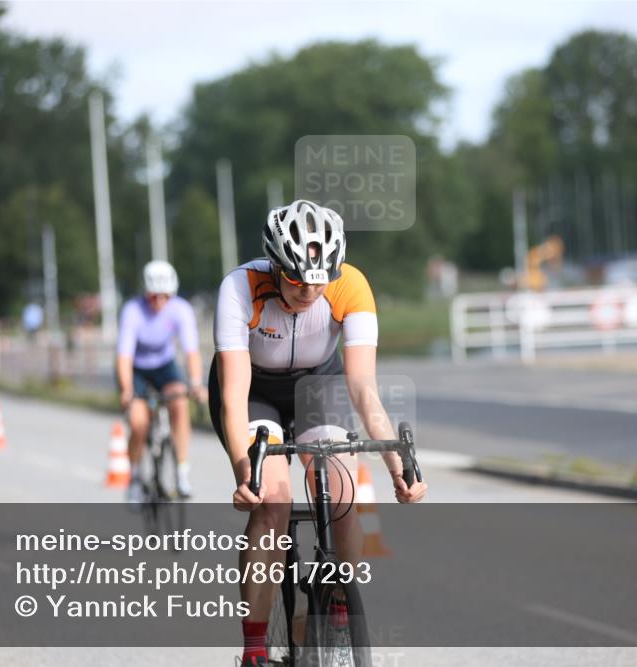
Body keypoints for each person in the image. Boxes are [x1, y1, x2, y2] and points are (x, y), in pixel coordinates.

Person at [210, 199, 428, 667]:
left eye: (319, 278)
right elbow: (233, 396)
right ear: (275, 264)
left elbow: (363, 389)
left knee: (343, 490)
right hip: (254, 392)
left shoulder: (351, 285)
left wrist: (398, 469)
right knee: (273, 501)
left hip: (319, 385)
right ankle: (253, 646)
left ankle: (336, 606)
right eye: (295, 279)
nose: (309, 291)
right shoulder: (239, 289)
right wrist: (245, 472)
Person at [116, 260, 207, 502]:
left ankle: (181, 472)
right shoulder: (132, 310)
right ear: (145, 292)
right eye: (153, 296)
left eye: (165, 296)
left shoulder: (181, 309)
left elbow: (191, 351)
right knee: (138, 422)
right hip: (137, 369)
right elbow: (123, 357)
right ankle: (135, 477)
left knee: (180, 402)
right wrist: (126, 391)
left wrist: (196, 383)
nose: (159, 301)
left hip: (165, 366)